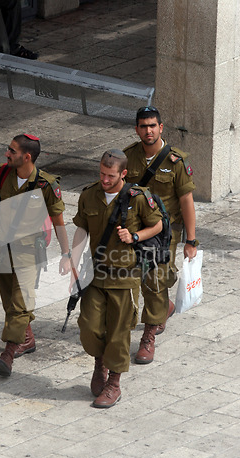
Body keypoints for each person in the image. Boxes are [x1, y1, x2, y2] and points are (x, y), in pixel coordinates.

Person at [71, 149, 163, 408]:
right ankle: (99, 362)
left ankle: (113, 383)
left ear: (123, 173)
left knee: (119, 333)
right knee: (89, 327)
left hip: (125, 277)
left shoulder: (138, 198)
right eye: (101, 173)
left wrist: (135, 237)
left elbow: (157, 225)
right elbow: (81, 228)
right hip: (95, 274)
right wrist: (73, 259)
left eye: (110, 175)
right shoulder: (89, 195)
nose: (105, 179)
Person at [0, 133, 70, 377]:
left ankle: (8, 353)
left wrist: (66, 254)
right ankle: (26, 339)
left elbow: (59, 222)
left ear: (27, 157)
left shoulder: (46, 185)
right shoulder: (2, 174)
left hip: (28, 253)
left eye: (12, 150)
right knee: (9, 300)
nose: (7, 153)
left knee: (20, 302)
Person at [124, 106, 197, 364]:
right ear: (137, 129)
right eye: (143, 126)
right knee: (133, 276)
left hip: (167, 232)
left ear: (161, 128)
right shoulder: (129, 157)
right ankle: (158, 312)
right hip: (135, 230)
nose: (148, 130)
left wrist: (191, 240)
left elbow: (187, 201)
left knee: (156, 278)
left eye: (152, 125)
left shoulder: (175, 161)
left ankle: (149, 335)